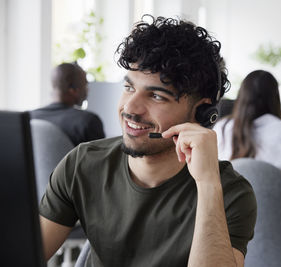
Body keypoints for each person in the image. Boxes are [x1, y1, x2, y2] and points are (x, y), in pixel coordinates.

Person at [39, 15, 257, 267]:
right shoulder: (83, 163)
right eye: (129, 87)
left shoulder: (230, 193)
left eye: (156, 96)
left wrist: (207, 184)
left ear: (202, 113)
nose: (130, 108)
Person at [30, 63, 105, 146]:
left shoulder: (30, 117)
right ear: (72, 89)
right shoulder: (88, 121)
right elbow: (102, 158)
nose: (87, 90)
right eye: (85, 84)